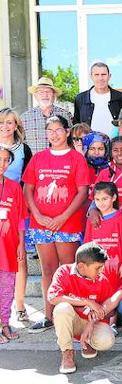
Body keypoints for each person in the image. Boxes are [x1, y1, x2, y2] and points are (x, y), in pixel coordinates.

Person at [23, 115, 90, 333]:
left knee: (68, 269)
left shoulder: (76, 159)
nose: (54, 134)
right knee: (48, 270)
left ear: (67, 131)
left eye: (58, 129)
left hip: (67, 224)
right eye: (49, 130)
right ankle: (48, 314)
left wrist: (63, 217)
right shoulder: (38, 158)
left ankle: (70, 315)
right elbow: (28, 189)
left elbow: (82, 192)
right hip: (41, 224)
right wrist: (38, 216)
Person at [48, 242, 115, 374]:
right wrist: (87, 302)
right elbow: (53, 298)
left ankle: (88, 342)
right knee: (62, 308)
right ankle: (67, 352)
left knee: (106, 341)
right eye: (98, 268)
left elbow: (111, 311)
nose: (101, 271)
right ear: (81, 266)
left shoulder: (102, 280)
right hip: (72, 322)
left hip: (92, 324)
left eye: (102, 268)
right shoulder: (64, 272)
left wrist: (93, 320)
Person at [0, 109, 31, 322]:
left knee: (19, 261)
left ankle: (19, 305)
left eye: (10, 122)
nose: (5, 126)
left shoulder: (23, 150)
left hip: (15, 207)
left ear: (16, 125)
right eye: (1, 122)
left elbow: (28, 179)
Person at [85, 182, 122, 291]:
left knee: (116, 294)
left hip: (116, 268)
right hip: (97, 268)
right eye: (97, 199)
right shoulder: (92, 220)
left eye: (104, 199)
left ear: (113, 198)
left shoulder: (121, 219)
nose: (101, 203)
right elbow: (87, 246)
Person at [0, 147, 27, 343]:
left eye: (5, 161)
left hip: (9, 246)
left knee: (7, 286)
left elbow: (20, 218)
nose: (2, 164)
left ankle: (4, 323)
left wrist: (21, 244)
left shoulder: (14, 186)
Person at [21, 77, 73, 154]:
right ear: (35, 96)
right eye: (41, 92)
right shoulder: (24, 118)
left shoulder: (65, 115)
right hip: (36, 164)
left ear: (54, 95)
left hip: (60, 162)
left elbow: (71, 140)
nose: (45, 95)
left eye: (48, 92)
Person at [73, 62, 122, 137]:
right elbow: (77, 124)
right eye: (96, 75)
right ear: (91, 77)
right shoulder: (81, 99)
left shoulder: (120, 98)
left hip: (115, 145)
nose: (100, 78)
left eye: (103, 74)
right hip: (89, 145)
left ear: (109, 76)